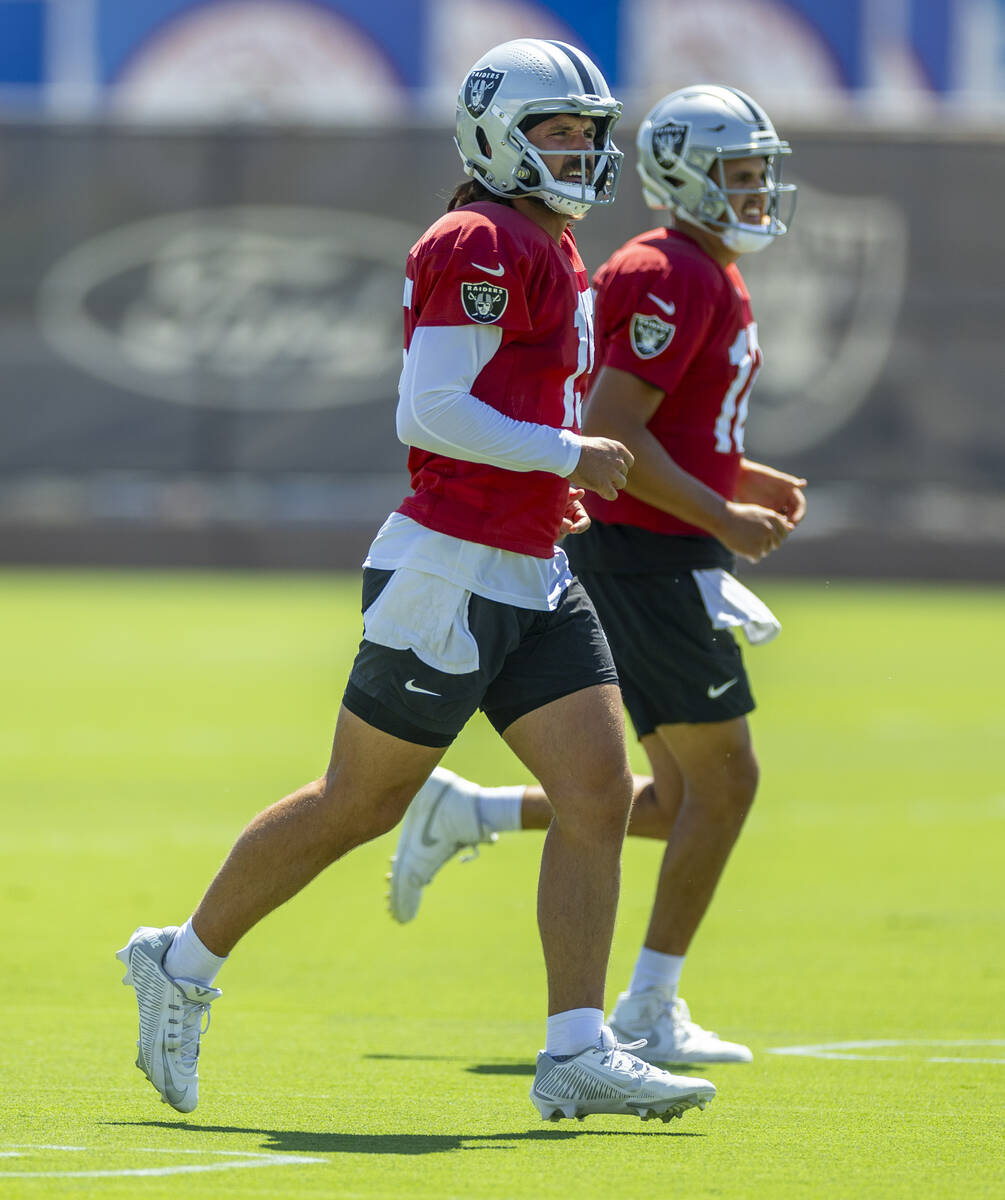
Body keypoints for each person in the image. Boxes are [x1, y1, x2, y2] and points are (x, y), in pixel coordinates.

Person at [116, 40, 716, 1125]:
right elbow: (428, 409)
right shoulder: (481, 236)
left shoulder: (549, 243)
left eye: (588, 132)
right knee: (359, 802)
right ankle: (183, 960)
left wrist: (557, 475)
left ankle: (576, 1046)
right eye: (555, 132)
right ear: (496, 136)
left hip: (532, 566)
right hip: (449, 564)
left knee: (595, 793)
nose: (579, 151)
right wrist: (566, 451)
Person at [388, 84, 807, 1068]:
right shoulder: (673, 271)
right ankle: (648, 1003)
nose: (754, 193)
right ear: (685, 177)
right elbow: (614, 427)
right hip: (638, 549)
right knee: (722, 781)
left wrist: (735, 479)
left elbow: (654, 427)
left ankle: (475, 813)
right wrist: (724, 516)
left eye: (759, 175)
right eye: (736, 175)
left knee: (674, 789)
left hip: (648, 542)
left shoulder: (697, 267)